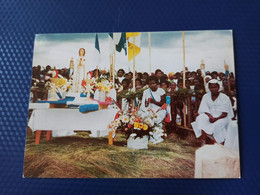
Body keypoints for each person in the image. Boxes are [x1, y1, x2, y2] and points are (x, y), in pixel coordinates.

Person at [191, 79, 234, 144]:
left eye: (215, 87)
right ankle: (203, 140)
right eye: (211, 87)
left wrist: (216, 118)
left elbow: (225, 113)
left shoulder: (225, 97)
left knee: (218, 124)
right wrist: (210, 116)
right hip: (210, 115)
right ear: (209, 88)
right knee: (201, 118)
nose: (213, 89)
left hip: (222, 117)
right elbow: (204, 108)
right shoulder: (206, 96)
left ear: (218, 87)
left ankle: (218, 143)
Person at [140, 75, 166, 144]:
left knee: (156, 117)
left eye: (153, 83)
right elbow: (144, 105)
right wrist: (147, 103)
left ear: (157, 84)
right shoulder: (146, 92)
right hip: (149, 109)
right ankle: (149, 135)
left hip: (160, 109)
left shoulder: (161, 91)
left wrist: (153, 102)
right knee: (145, 116)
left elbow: (163, 103)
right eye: (150, 84)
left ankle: (157, 136)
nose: (152, 85)